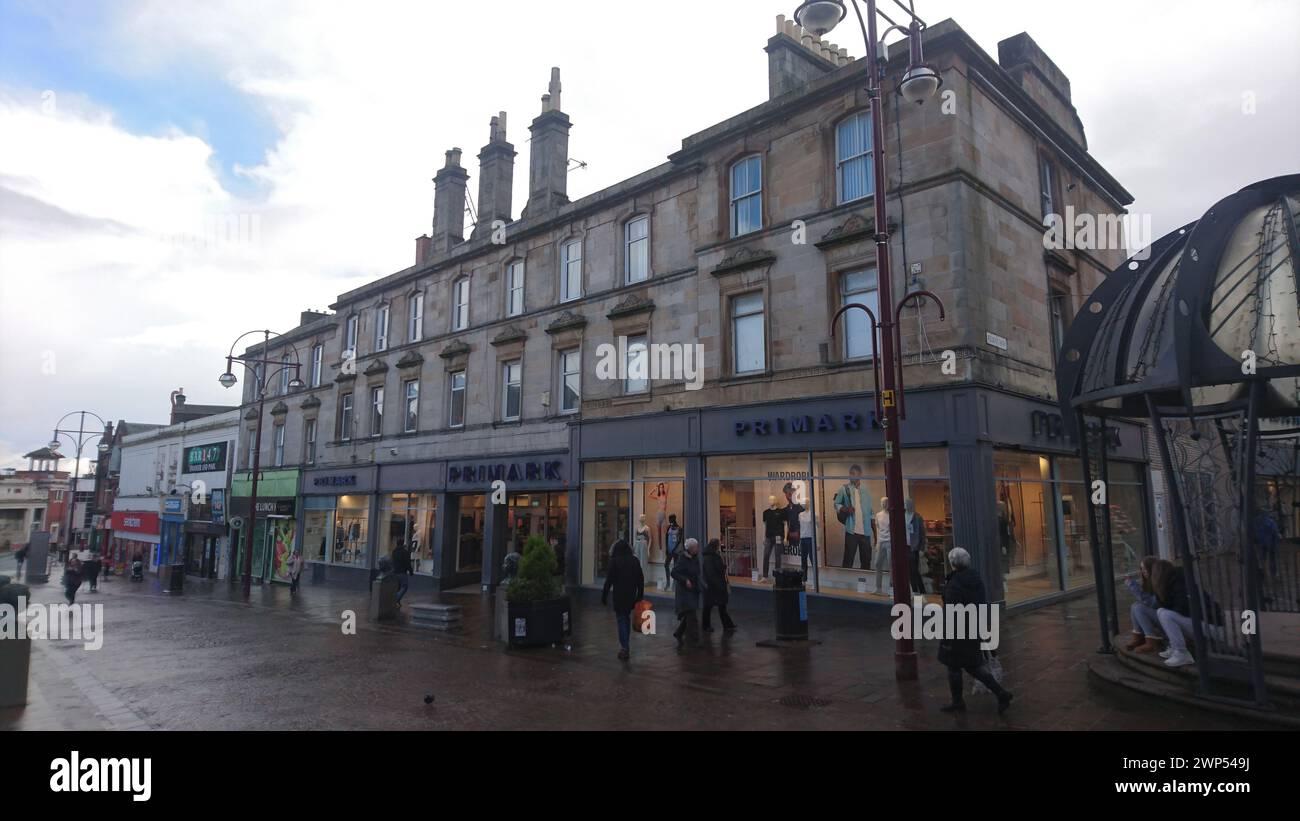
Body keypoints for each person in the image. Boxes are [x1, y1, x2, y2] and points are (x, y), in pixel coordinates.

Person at [938, 547, 1013, 714]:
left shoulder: (954, 584)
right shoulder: (975, 579)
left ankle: (960, 701)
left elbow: (953, 611)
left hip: (958, 631)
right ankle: (1000, 694)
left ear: (952, 564)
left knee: (955, 666)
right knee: (972, 666)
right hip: (973, 626)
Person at [1151, 558, 1225, 668]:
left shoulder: (1181, 583)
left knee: (1166, 615)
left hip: (1214, 629)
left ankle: (1182, 653)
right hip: (1202, 626)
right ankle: (1175, 648)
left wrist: (1162, 595)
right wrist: (1158, 591)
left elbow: (1182, 609)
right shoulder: (1171, 584)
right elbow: (1164, 606)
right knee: (1161, 611)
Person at [601, 539, 645, 660]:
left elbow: (609, 580)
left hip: (619, 594)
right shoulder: (634, 560)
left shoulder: (614, 561)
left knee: (621, 618)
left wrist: (604, 596)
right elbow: (640, 579)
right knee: (626, 617)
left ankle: (624, 647)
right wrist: (640, 595)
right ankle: (626, 644)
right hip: (631, 594)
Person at [834, 465, 872, 569]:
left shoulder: (866, 491)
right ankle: (847, 579)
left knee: (866, 561)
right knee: (848, 561)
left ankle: (864, 579)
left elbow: (870, 512)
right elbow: (836, 504)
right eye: (850, 473)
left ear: (860, 475)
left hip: (866, 532)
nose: (851, 475)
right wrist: (845, 509)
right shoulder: (844, 489)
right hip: (851, 531)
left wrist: (875, 533)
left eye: (853, 473)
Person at [1123, 556, 1162, 652]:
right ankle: (1139, 637)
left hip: (1168, 619)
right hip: (1160, 616)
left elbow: (1151, 603)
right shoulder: (1150, 581)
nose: (1143, 571)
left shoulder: (1160, 582)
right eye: (1141, 569)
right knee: (1135, 605)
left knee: (1139, 608)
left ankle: (1152, 641)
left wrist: (1133, 585)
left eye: (1145, 568)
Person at [671, 537, 703, 649]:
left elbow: (697, 571)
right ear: (690, 548)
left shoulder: (695, 558)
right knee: (692, 615)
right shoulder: (682, 559)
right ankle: (696, 639)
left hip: (693, 589)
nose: (698, 549)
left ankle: (679, 632)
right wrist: (685, 580)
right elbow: (674, 573)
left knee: (689, 613)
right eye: (696, 547)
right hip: (685, 592)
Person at [700, 538, 737, 633]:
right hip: (713, 586)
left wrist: (722, 567)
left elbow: (715, 568)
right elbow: (711, 572)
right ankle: (707, 626)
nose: (719, 547)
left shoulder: (711, 555)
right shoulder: (710, 557)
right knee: (711, 607)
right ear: (715, 546)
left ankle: (727, 624)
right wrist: (719, 584)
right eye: (718, 545)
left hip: (714, 586)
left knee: (719, 606)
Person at [904, 499, 926, 594]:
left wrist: (922, 548)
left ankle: (920, 591)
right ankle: (915, 591)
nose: (906, 505)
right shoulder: (902, 516)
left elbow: (922, 534)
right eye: (905, 504)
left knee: (914, 570)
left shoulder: (917, 517)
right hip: (905, 546)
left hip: (914, 547)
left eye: (908, 504)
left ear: (912, 505)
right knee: (909, 570)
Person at [760, 495, 784, 580]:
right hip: (768, 536)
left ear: (776, 500)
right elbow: (765, 525)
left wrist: (784, 537)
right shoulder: (765, 512)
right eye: (770, 499)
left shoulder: (781, 512)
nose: (771, 501)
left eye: (773, 499)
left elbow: (785, 524)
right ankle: (765, 575)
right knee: (766, 555)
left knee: (778, 556)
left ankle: (777, 576)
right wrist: (763, 537)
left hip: (778, 536)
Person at [872, 497, 891, 595]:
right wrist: (877, 543)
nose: (884, 504)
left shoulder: (891, 515)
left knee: (891, 565)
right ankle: (878, 587)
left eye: (886, 502)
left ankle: (892, 588)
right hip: (881, 542)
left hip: (890, 542)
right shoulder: (878, 515)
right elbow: (878, 530)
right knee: (877, 564)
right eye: (882, 502)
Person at [663, 514, 683, 590]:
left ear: (674, 519)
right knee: (666, 565)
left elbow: (679, 540)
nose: (669, 520)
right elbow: (666, 537)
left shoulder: (679, 528)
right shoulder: (669, 527)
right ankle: (668, 582)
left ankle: (674, 583)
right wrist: (666, 548)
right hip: (669, 550)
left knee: (675, 566)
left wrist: (674, 549)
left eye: (670, 519)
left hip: (676, 551)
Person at [390, 541, 412, 607]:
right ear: (402, 544)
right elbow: (407, 563)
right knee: (404, 586)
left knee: (398, 587)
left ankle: (397, 601)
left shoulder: (394, 552)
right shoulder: (405, 552)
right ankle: (396, 599)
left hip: (395, 572)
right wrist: (410, 571)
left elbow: (392, 561)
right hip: (402, 572)